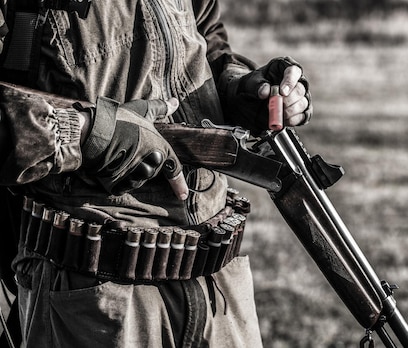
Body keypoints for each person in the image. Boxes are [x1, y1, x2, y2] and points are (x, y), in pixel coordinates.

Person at [0, 0, 312, 347]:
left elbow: (204, 41)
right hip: (95, 296)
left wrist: (240, 88)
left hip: (218, 285)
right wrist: (88, 132)